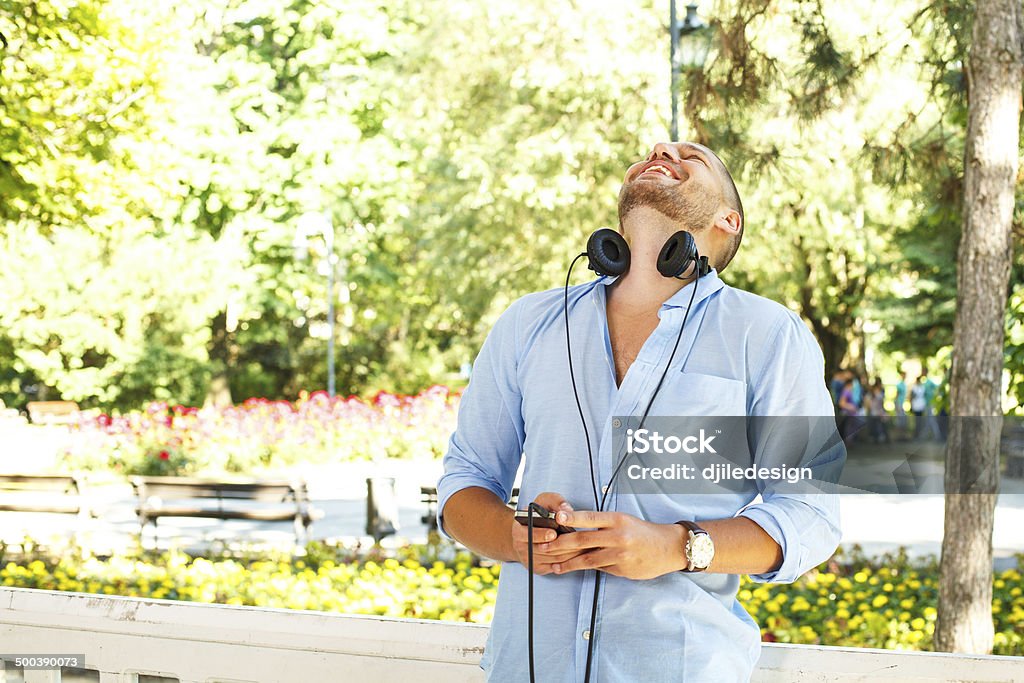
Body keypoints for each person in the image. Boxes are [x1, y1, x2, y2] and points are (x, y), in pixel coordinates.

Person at [437, 141, 843, 682]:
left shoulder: (768, 335)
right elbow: (464, 483)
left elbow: (810, 515)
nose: (662, 150)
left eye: (691, 158)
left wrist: (677, 546)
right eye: (652, 153)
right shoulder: (527, 323)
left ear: (729, 219)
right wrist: (511, 535)